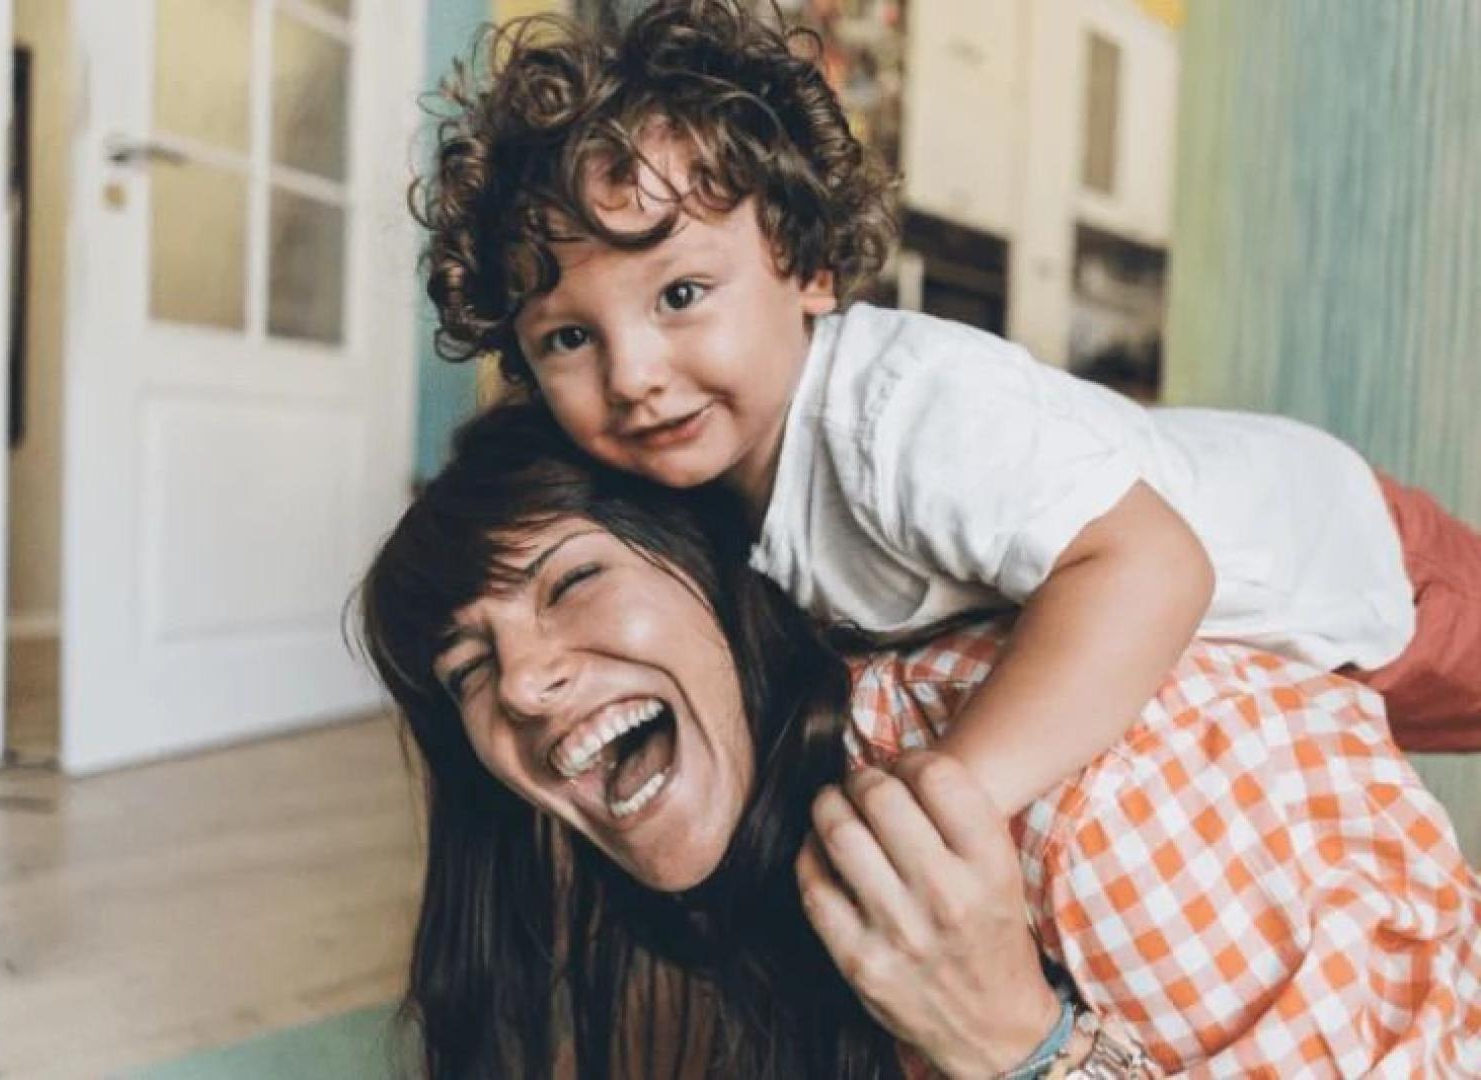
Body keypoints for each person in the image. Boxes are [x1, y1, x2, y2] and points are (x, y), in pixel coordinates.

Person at [409, 0, 1481, 825]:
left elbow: (1150, 565)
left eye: (681, 295)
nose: (633, 372)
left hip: (1338, 558)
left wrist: (955, 792)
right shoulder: (694, 488)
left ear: (810, 266)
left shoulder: (901, 412)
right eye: (568, 337)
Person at [359, 403, 1481, 1079]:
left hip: (1359, 556)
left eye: (574, 581)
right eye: (468, 667)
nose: (525, 682)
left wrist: (1019, 1045)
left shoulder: (1097, 816)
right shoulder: (806, 836)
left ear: (725, 577)